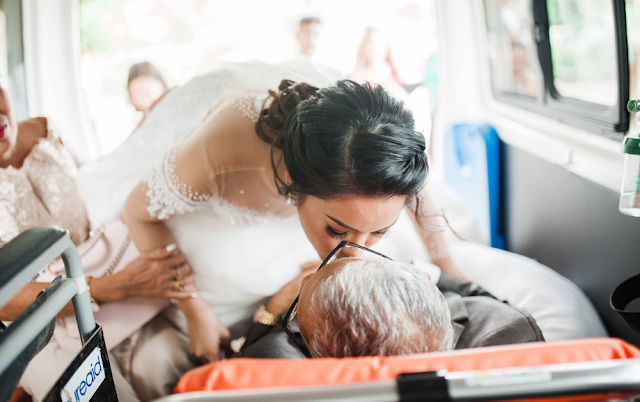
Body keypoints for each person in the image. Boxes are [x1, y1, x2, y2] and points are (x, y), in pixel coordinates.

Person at [122, 66, 467, 374]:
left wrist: (447, 265)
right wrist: (193, 308)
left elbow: (416, 190)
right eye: (337, 229)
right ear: (295, 183)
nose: (355, 253)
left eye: (379, 232)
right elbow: (137, 214)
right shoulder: (221, 155)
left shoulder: (382, 160)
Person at [0, 84, 195, 402]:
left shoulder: (44, 129)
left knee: (167, 361)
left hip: (110, 276)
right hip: (35, 327)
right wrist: (108, 288)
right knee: (98, 393)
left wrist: (149, 128)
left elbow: (97, 184)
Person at [235, 254, 544, 359]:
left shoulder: (276, 358)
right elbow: (485, 298)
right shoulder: (511, 333)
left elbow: (248, 362)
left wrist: (274, 307)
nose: (305, 281)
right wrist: (434, 271)